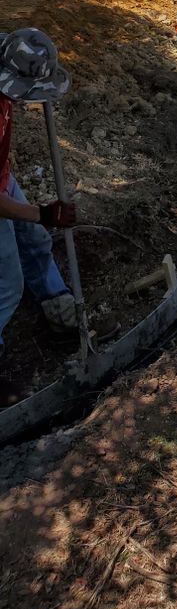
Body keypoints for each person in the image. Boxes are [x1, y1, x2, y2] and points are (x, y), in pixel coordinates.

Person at [0, 27, 80, 360]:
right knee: (7, 286)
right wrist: (41, 213)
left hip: (1, 177)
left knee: (34, 241)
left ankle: (63, 316)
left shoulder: (9, 51)